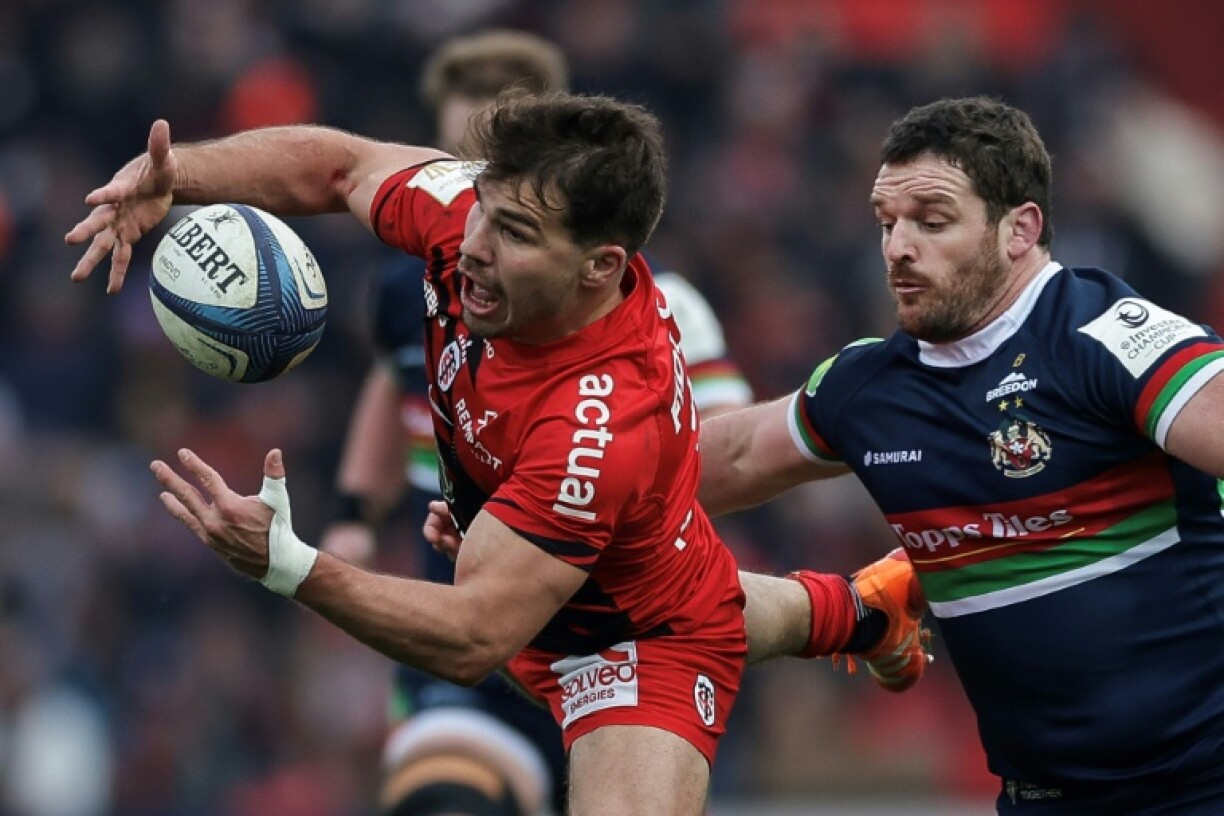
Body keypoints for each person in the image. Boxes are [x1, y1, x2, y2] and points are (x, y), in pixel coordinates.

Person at [65, 92, 929, 815]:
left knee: (672, 610)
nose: (473, 246)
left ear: (600, 267)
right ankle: (860, 610)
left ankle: (850, 610)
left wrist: (288, 564)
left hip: (630, 650)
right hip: (550, 561)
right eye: (483, 206)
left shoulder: (600, 421)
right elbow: (339, 166)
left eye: (513, 233)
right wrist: (179, 179)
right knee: (676, 576)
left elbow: (472, 637)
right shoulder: (468, 219)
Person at [698, 95, 1224, 814]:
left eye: (932, 222)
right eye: (886, 223)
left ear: (1020, 229)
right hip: (1042, 799)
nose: (897, 248)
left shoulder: (1106, 335)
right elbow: (716, 464)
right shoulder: (866, 389)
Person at [322, 30, 753, 816]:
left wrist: (570, 517)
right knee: (444, 801)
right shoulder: (417, 277)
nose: (473, 222)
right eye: (461, 163)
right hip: (462, 600)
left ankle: (854, 612)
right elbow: (393, 390)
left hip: (612, 626)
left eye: (515, 211)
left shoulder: (660, 316)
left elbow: (722, 453)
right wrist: (355, 513)